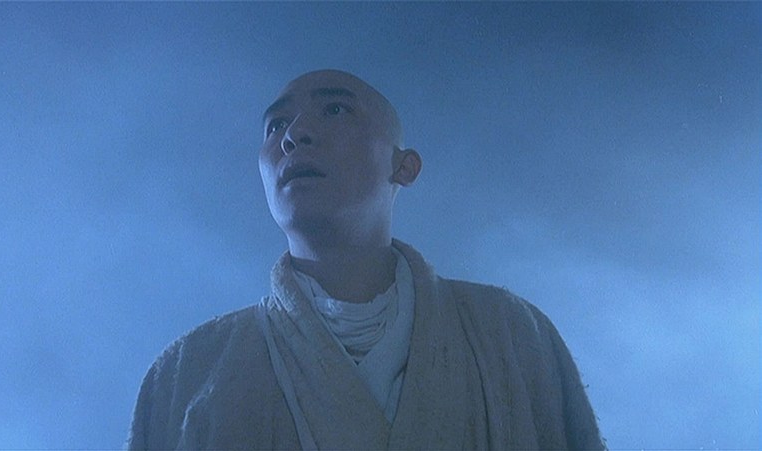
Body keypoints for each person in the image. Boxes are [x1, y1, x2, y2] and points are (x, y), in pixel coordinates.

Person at [127, 69, 605, 450]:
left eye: (334, 109)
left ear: (404, 166)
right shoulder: (187, 374)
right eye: (276, 126)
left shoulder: (511, 335)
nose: (294, 135)